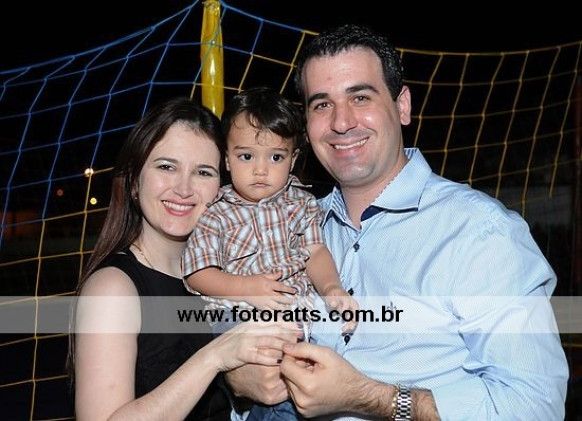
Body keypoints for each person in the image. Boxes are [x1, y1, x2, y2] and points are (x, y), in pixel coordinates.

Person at [225, 24, 569, 420]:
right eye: (321, 104)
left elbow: (534, 406)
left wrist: (369, 397)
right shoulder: (289, 224)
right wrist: (237, 376)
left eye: (360, 97)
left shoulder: (480, 232)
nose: (341, 122)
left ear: (402, 105)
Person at [68, 97, 300, 421]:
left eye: (203, 172)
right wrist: (214, 358)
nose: (184, 188)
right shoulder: (113, 288)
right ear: (134, 180)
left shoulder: (230, 278)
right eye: (167, 167)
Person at [182, 86, 358, 421]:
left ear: (293, 159)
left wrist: (332, 288)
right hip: (235, 316)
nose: (260, 170)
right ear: (227, 159)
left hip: (295, 316)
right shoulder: (215, 212)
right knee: (273, 377)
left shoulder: (301, 203)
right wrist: (247, 288)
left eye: (275, 157)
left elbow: (315, 251)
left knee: (312, 372)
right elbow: (197, 273)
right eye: (246, 156)